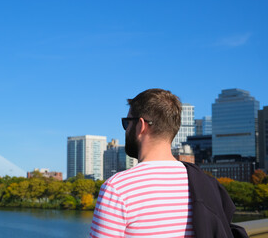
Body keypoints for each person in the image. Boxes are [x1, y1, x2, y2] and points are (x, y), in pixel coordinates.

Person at [89, 88, 248, 238]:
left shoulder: (117, 188)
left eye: (127, 122)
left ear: (141, 125)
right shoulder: (205, 183)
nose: (126, 129)